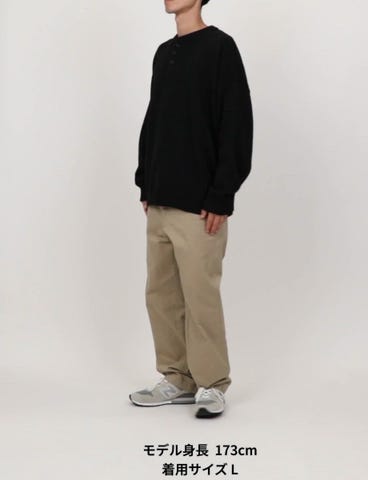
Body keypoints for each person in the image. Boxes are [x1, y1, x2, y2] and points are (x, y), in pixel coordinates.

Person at [129, 0, 253, 418]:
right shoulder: (164, 53)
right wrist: (145, 179)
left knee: (200, 296)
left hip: (200, 205)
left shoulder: (220, 47)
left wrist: (221, 194)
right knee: (160, 295)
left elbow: (236, 121)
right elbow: (155, 119)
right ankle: (177, 378)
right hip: (160, 198)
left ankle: (212, 383)